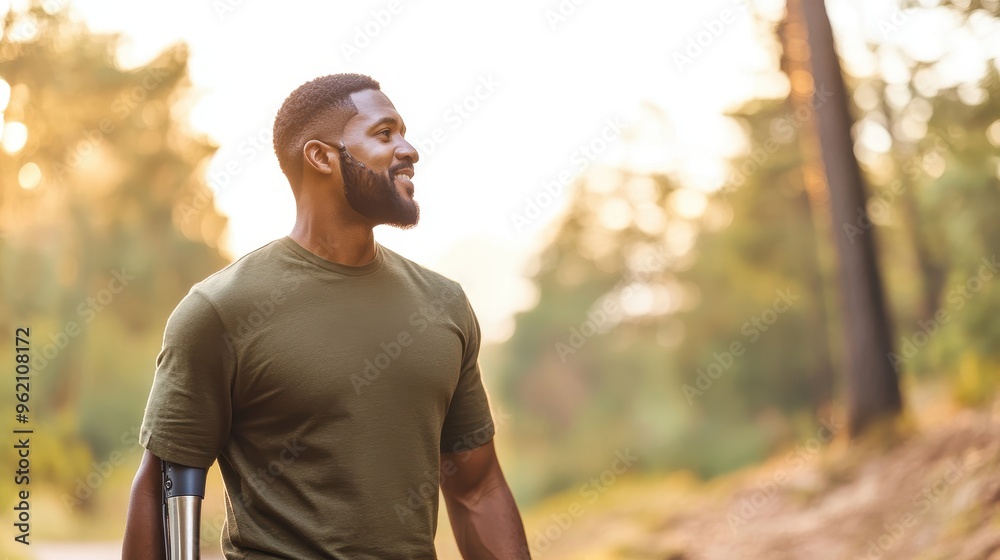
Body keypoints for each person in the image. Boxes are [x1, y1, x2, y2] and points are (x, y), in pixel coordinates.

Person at [122, 73, 531, 559]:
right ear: (320, 156)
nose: (410, 149)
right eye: (384, 133)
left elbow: (476, 487)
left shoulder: (443, 305)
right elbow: (161, 488)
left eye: (403, 132)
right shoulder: (222, 310)